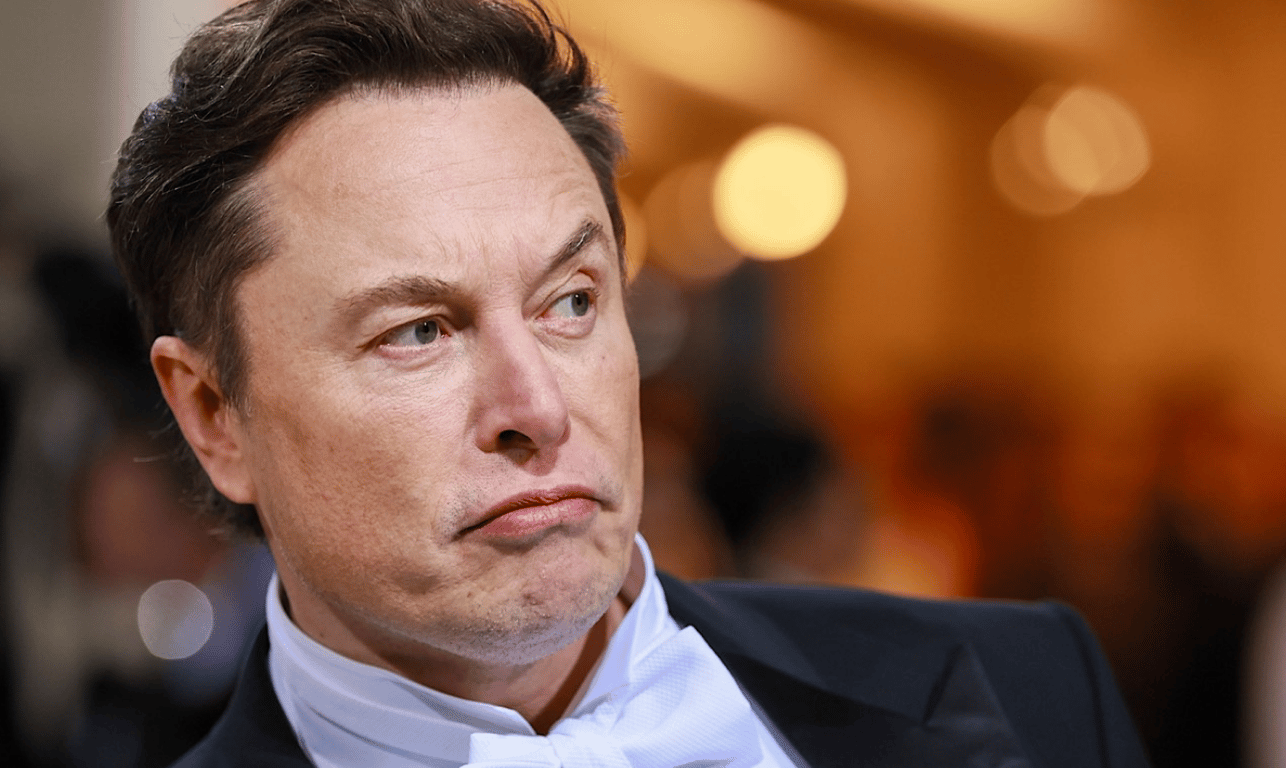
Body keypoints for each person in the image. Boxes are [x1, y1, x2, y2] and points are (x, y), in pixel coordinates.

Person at [106, 1, 1150, 765]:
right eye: (419, 331)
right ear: (213, 415)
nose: (537, 407)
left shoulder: (1030, 688)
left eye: (570, 302)